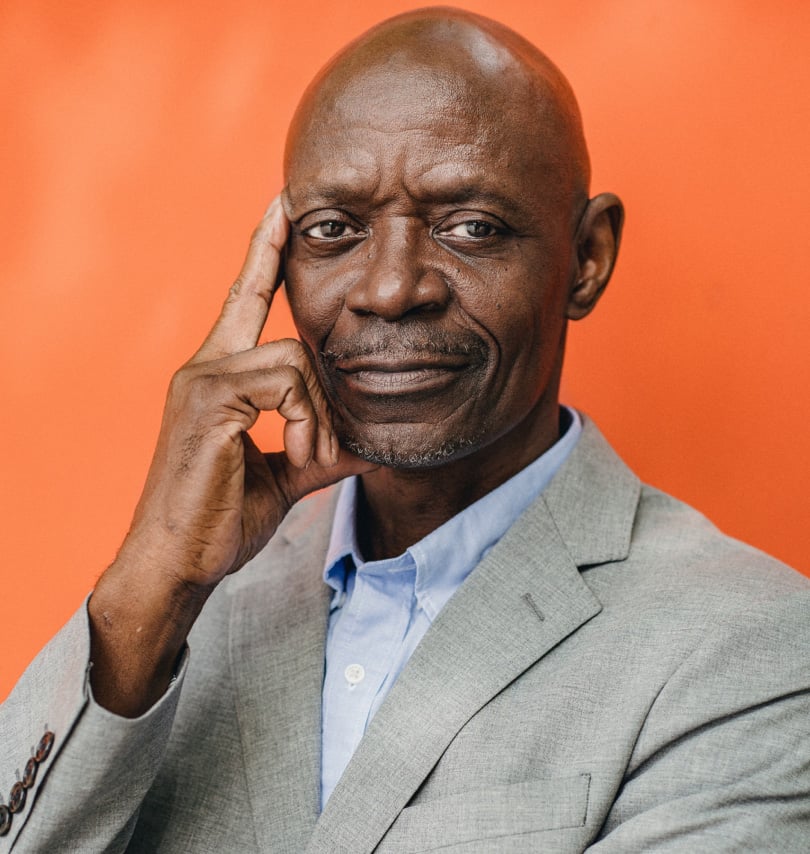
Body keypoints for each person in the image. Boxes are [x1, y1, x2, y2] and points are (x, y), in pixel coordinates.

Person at [1, 7, 808, 852]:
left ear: (587, 257)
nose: (389, 289)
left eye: (472, 227)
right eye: (333, 230)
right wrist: (149, 587)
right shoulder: (174, 612)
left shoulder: (750, 645)